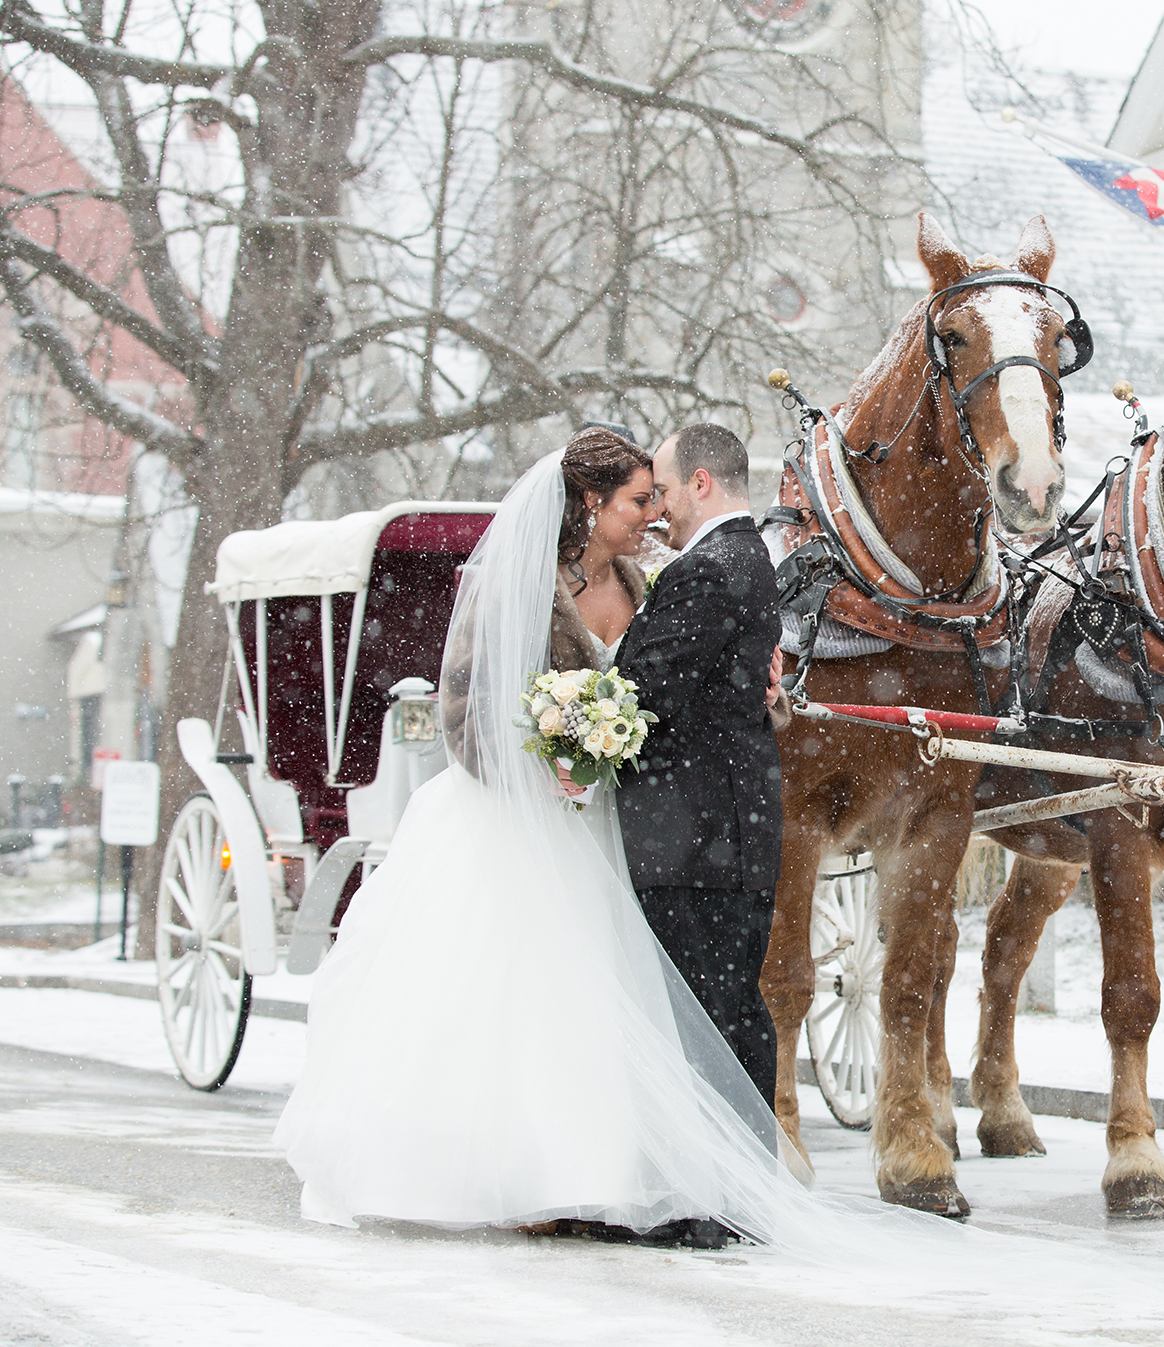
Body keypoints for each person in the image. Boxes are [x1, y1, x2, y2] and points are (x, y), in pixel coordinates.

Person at [273, 431, 801, 1244]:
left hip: (615, 823)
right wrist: (546, 764)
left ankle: (616, 1175)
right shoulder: (514, 585)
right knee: (517, 998)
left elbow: (682, 689)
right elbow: (467, 711)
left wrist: (755, 692)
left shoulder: (645, 579)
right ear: (592, 502)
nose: (652, 514)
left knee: (612, 1006)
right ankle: (518, 1167)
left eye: (658, 497)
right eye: (638, 500)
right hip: (525, 817)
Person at [610, 423, 784, 1110]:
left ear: (701, 484)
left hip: (697, 838)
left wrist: (573, 714)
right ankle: (731, 1194)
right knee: (729, 1010)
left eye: (666, 492)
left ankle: (721, 1200)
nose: (660, 510)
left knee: (709, 1018)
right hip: (720, 831)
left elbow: (649, 690)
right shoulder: (744, 556)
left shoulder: (710, 568)